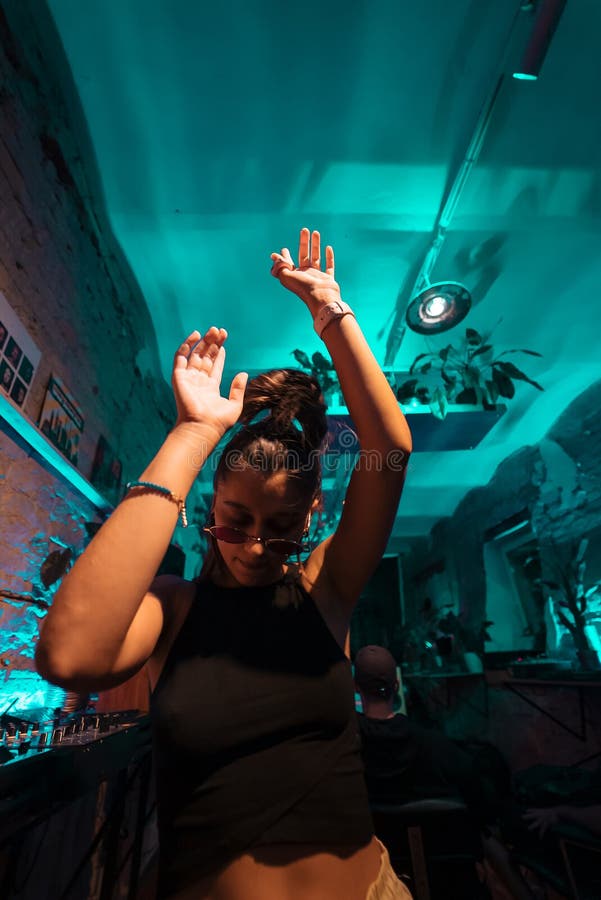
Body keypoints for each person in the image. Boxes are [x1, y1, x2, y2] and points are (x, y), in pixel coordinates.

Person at [35, 228, 413, 900]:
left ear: (311, 517)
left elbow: (388, 451)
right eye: (235, 521)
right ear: (210, 501)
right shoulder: (173, 608)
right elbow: (70, 657)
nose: (256, 547)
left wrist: (331, 312)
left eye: (282, 528)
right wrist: (193, 433)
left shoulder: (323, 589)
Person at [355, 645, 536, 900]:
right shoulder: (438, 747)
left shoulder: (349, 753)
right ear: (396, 685)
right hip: (453, 886)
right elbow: (481, 807)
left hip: (382, 882)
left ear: (355, 687)